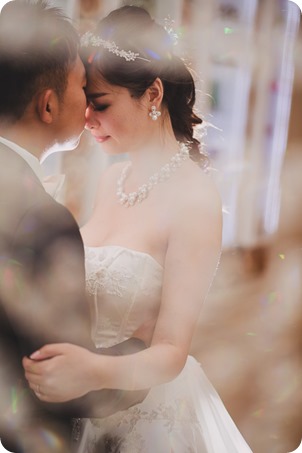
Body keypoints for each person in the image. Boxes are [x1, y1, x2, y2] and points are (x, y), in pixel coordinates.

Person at [23, 5, 253, 452]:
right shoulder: (112, 179)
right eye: (86, 102)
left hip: (150, 416)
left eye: (101, 104)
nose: (87, 119)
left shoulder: (196, 198)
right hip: (82, 407)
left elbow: (171, 353)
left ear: (152, 94)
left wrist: (92, 370)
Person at [0, 2, 147, 453]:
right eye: (83, 88)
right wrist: (147, 358)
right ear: (48, 104)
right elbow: (66, 383)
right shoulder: (39, 216)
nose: (89, 107)